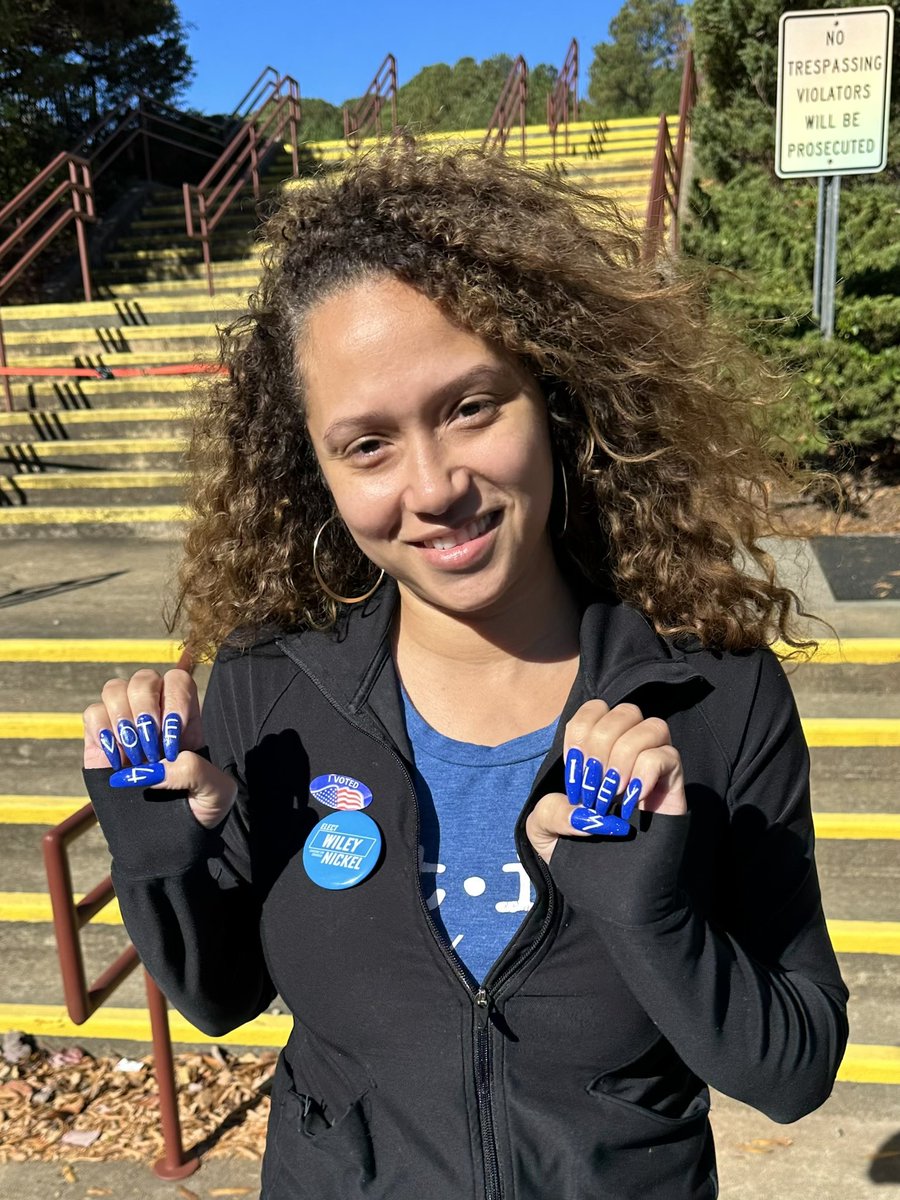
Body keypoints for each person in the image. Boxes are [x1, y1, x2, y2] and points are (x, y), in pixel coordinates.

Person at [82, 145, 848, 1200]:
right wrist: (165, 855)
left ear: (555, 396)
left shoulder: (713, 692)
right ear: (313, 465)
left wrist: (649, 916)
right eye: (367, 445)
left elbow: (795, 1070)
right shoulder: (270, 685)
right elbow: (221, 998)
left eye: (471, 406)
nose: (434, 486)